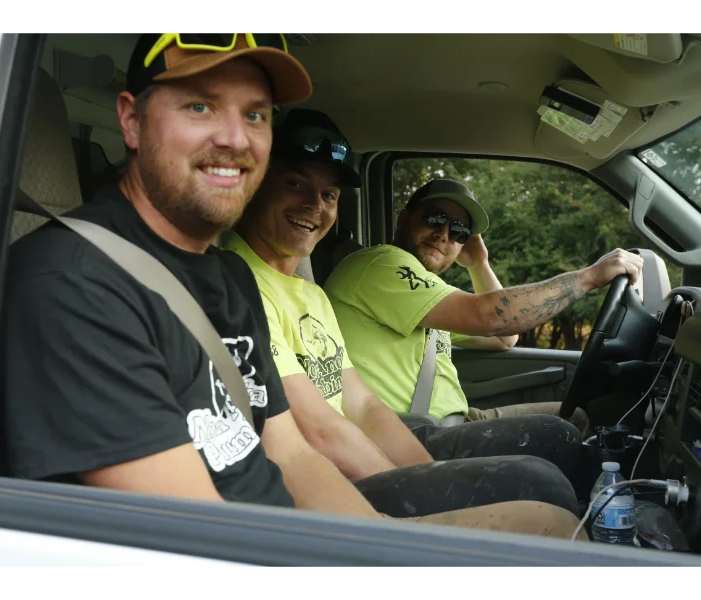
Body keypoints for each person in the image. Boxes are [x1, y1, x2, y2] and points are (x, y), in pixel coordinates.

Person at [0, 31, 587, 541]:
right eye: (199, 106)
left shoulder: (225, 279)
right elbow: (193, 540)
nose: (234, 137)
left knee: (553, 521)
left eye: (255, 114)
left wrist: (382, 534)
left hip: (293, 528)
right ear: (131, 120)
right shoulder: (73, 287)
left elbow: (293, 453)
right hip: (245, 543)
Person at [222, 107, 585, 519]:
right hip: (334, 476)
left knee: (557, 452)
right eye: (293, 183)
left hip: (383, 442)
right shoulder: (242, 287)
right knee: (546, 479)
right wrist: (423, 493)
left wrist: (428, 476)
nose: (313, 205)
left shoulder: (310, 295)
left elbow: (362, 405)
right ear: (255, 186)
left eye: (329, 195)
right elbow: (318, 430)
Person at [323, 176, 644, 455]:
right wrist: (589, 277)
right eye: (435, 218)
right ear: (404, 219)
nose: (444, 234)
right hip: (411, 433)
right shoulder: (381, 265)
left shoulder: (417, 295)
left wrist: (478, 264)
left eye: (460, 231)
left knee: (575, 417)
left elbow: (505, 338)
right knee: (566, 430)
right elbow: (491, 317)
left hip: (450, 424)